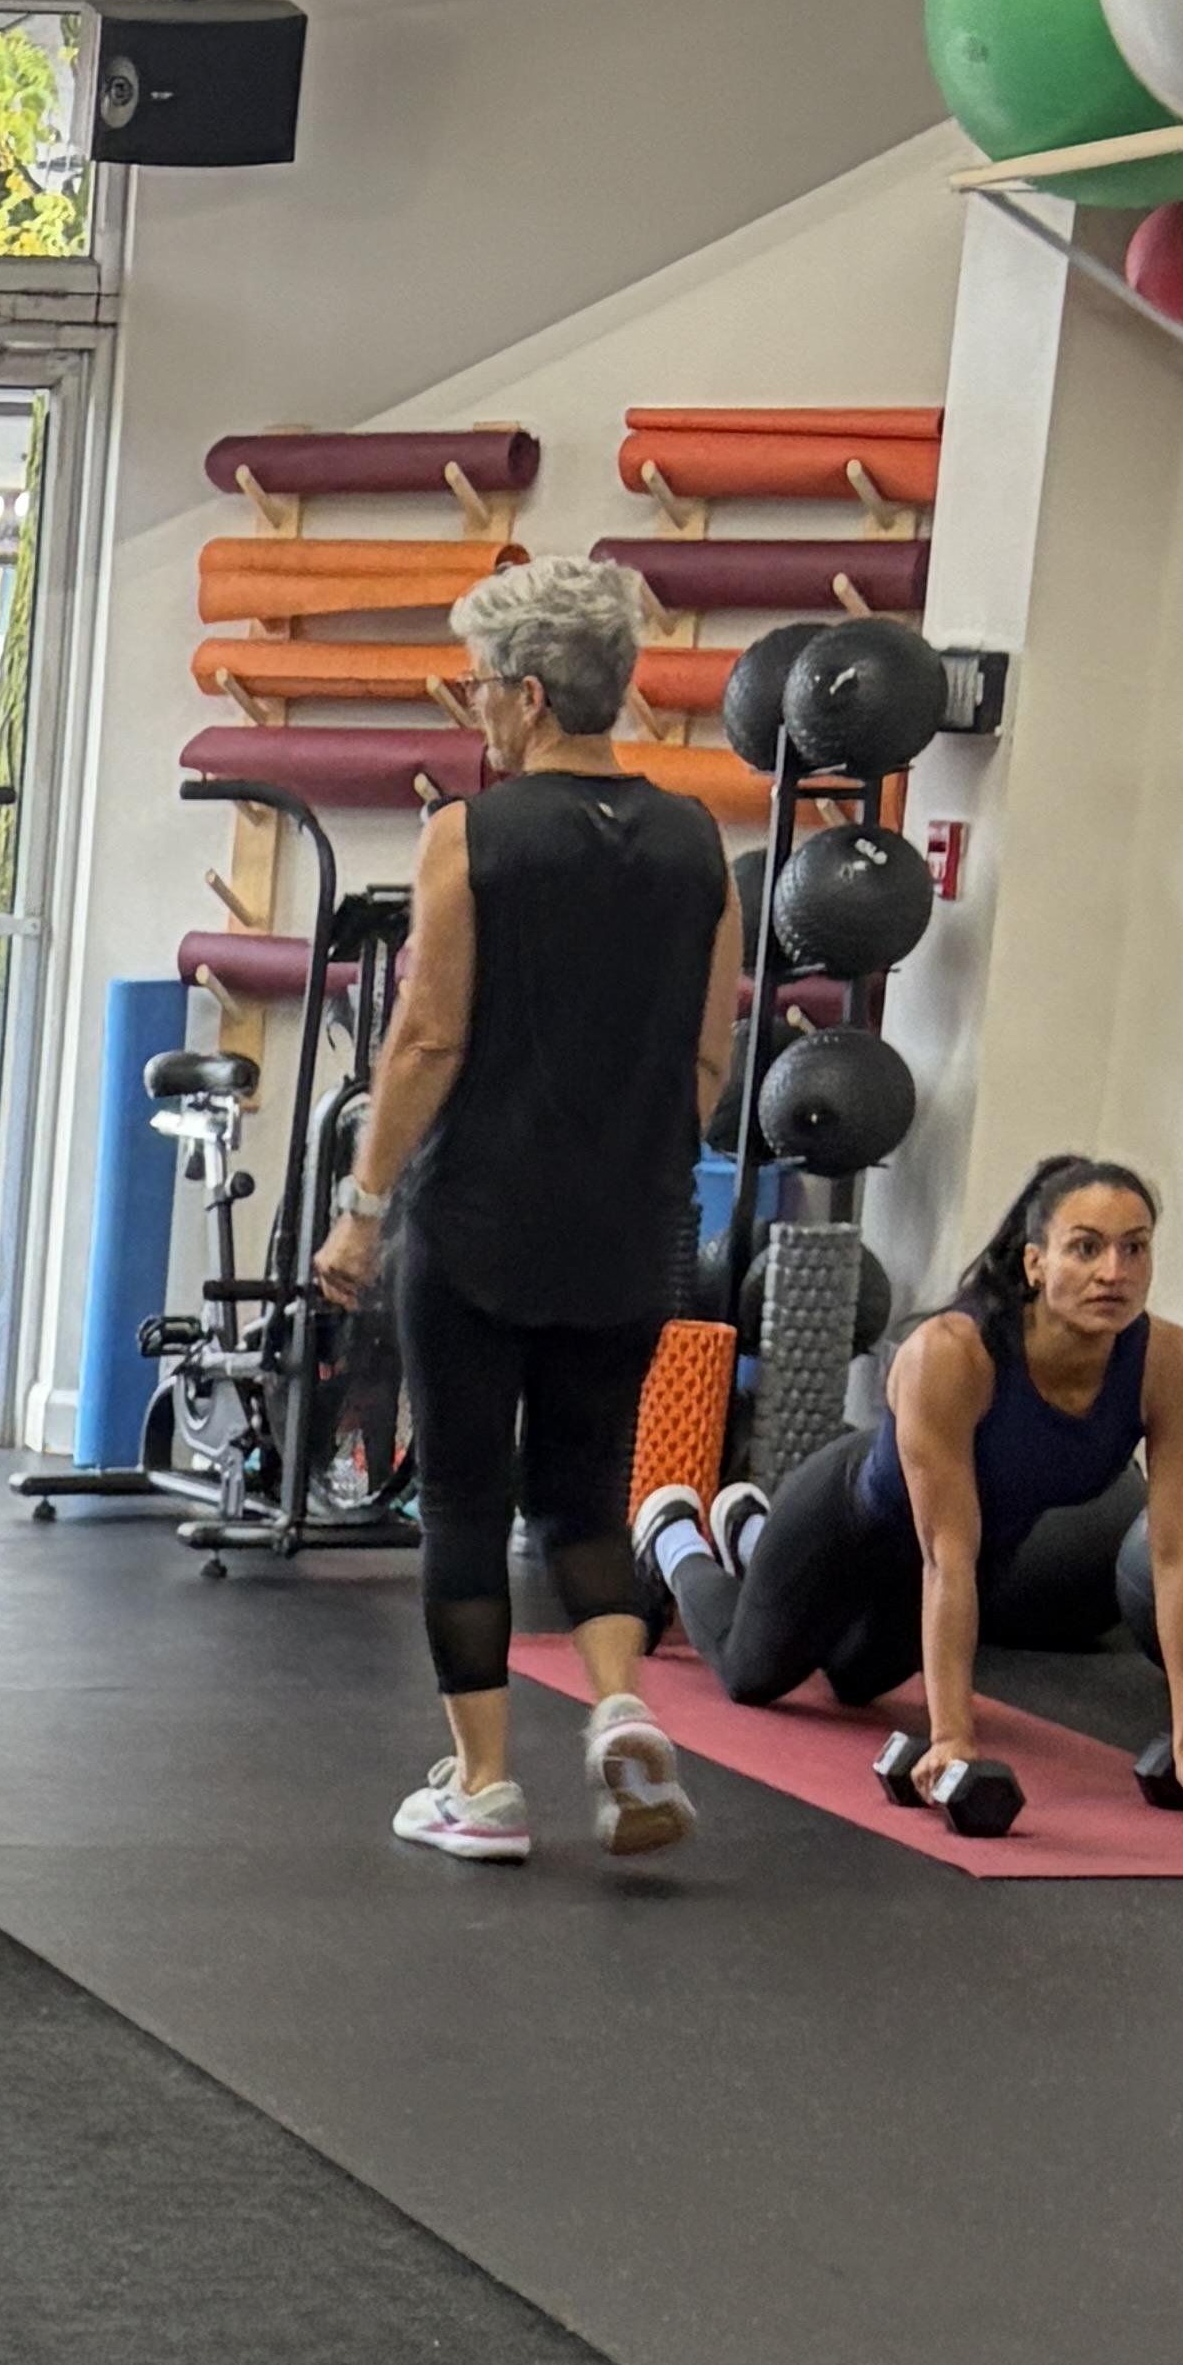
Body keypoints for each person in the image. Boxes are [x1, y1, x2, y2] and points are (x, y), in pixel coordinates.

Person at [312, 552, 739, 1865]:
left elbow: (427, 1037)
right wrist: (635, 1173)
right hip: (631, 1229)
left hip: (478, 1221)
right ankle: (619, 1705)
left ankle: (485, 1786)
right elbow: (709, 1059)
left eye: (481, 686)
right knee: (586, 1497)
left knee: (461, 1498)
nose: (476, 708)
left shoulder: (471, 836)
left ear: (533, 694)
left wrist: (363, 1204)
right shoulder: (700, 841)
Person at [636, 1154, 1183, 1796]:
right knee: (753, 1674)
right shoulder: (951, 1354)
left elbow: (1179, 1552)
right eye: (1086, 1248)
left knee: (855, 1683)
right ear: (1035, 1263)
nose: (1113, 1272)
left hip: (975, 1552)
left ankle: (749, 1531)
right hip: (850, 1524)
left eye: (1134, 1248)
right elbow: (946, 1556)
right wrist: (951, 1737)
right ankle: (674, 1534)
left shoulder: (1170, 1365)